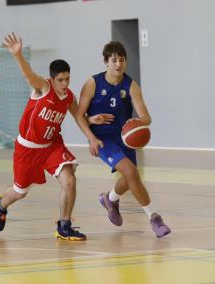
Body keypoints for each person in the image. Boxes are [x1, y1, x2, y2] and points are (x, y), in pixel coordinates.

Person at [0, 33, 88, 241]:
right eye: (60, 80)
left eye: (67, 79)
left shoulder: (69, 96)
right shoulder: (42, 88)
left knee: (69, 180)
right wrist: (18, 55)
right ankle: (1, 204)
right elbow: (28, 75)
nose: (64, 83)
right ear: (52, 79)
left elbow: (79, 115)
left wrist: (92, 133)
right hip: (28, 149)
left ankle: (64, 226)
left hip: (52, 146)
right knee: (20, 192)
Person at [75, 41, 171, 238]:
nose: (118, 64)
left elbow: (146, 117)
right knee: (131, 172)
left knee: (129, 178)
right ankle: (154, 217)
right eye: (114, 60)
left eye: (122, 59)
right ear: (106, 62)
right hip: (103, 139)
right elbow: (79, 114)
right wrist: (91, 135)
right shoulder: (92, 83)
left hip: (124, 138)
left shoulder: (131, 85)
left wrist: (135, 121)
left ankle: (110, 199)